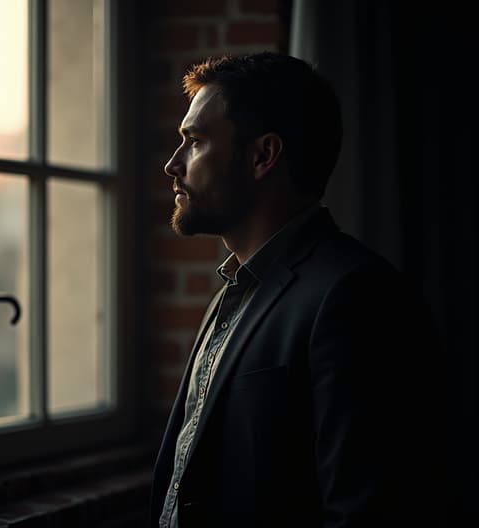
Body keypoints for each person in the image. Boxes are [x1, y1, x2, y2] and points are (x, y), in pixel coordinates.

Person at [149, 52, 445, 527]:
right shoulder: (236, 291)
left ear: (263, 155)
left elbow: (364, 512)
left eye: (196, 142)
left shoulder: (357, 297)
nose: (172, 165)